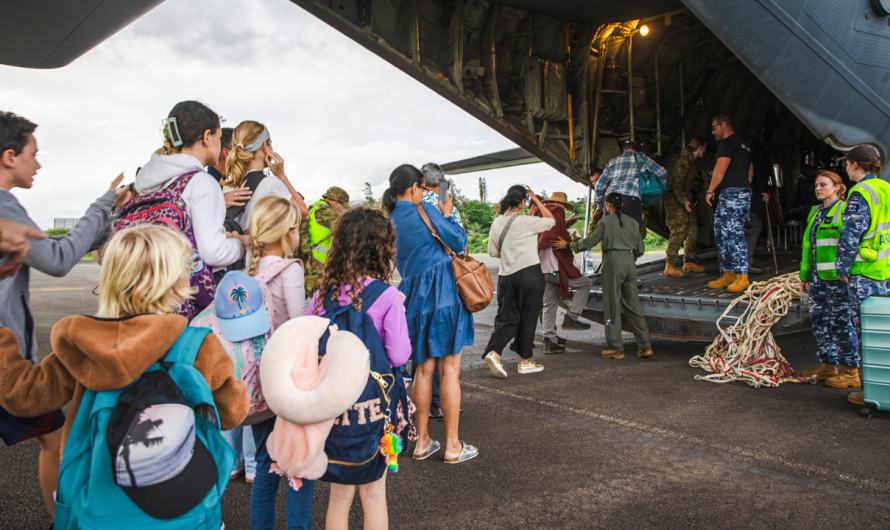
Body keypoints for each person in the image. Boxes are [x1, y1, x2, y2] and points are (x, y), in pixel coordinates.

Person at [0, 225, 249, 520]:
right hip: (182, 504)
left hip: (95, 500)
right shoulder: (199, 345)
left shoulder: (81, 343)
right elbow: (233, 413)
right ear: (175, 284)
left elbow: (23, 396)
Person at [0, 110, 124, 516]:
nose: (39, 163)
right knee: (57, 443)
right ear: (9, 157)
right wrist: (104, 204)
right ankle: (64, 520)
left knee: (54, 438)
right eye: (33, 153)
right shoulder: (5, 205)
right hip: (8, 365)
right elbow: (58, 258)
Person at [307, 207, 412, 530]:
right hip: (377, 414)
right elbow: (398, 355)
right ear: (383, 248)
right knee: (374, 494)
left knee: (339, 497)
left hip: (334, 410)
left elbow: (308, 347)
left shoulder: (322, 296)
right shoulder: (388, 296)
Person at [382, 164, 477, 464]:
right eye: (423, 188)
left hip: (413, 297)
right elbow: (458, 241)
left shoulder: (388, 221)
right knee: (449, 370)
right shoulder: (425, 209)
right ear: (414, 188)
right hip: (443, 292)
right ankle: (452, 445)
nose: (425, 192)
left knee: (422, 370)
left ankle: (421, 441)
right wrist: (447, 215)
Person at [242, 196, 314, 529]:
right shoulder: (290, 269)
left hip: (260, 379)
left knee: (265, 462)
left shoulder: (249, 272)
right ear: (287, 234)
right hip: (291, 380)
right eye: (297, 228)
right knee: (301, 463)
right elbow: (299, 324)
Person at [135, 101, 248, 276]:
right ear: (207, 136)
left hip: (151, 284)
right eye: (218, 138)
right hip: (183, 293)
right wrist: (241, 244)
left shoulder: (151, 181)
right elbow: (213, 252)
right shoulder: (201, 183)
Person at [835, 145, 890, 405]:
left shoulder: (860, 193)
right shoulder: (886, 188)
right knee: (885, 334)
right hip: (884, 270)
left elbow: (850, 235)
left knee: (866, 335)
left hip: (864, 273)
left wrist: (842, 268)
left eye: (847, 164)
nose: (845, 168)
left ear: (855, 164)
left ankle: (873, 393)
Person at [483, 185, 555, 374]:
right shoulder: (528, 221)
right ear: (523, 202)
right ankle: (525, 361)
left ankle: (495, 352)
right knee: (529, 317)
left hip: (506, 277)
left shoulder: (497, 222)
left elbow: (492, 252)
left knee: (507, 317)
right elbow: (551, 221)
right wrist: (537, 200)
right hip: (530, 274)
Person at [571, 193, 652, 359]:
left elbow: (590, 242)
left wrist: (570, 245)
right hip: (629, 262)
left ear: (608, 205)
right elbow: (641, 250)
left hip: (613, 261)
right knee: (633, 306)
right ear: (621, 204)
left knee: (612, 306)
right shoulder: (633, 223)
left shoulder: (605, 222)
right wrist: (629, 258)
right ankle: (645, 345)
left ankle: (616, 347)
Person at [799, 171, 858, 384]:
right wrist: (805, 275)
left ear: (837, 188)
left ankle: (851, 370)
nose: (818, 188)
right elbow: (808, 246)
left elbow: (851, 243)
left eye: (823, 185)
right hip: (817, 278)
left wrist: (847, 271)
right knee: (819, 321)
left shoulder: (845, 211)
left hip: (838, 279)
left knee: (840, 323)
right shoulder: (815, 212)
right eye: (816, 185)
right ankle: (828, 365)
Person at [420, 162, 461, 418]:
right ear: (441, 181)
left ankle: (429, 403)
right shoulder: (444, 198)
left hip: (420, 277)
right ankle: (443, 400)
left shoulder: (414, 200)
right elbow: (459, 238)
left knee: (424, 350)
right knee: (447, 349)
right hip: (445, 276)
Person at [222, 120, 309, 234]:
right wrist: (280, 175)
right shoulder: (270, 184)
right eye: (270, 143)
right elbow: (304, 213)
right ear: (264, 147)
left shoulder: (229, 183)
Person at [538, 191, 592, 354]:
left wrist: (567, 226)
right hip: (556, 267)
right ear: (561, 205)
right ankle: (572, 316)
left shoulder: (541, 215)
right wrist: (570, 241)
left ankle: (549, 340)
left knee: (549, 304)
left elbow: (551, 233)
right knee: (585, 284)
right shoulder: (557, 211)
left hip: (543, 269)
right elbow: (558, 240)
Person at [707, 114, 754, 293]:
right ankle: (728, 273)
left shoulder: (727, 144)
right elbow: (750, 172)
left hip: (731, 193)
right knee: (721, 233)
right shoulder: (745, 146)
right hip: (739, 192)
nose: (713, 132)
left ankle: (742, 276)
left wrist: (710, 190)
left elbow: (720, 168)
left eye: (715, 127)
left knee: (733, 234)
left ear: (724, 125)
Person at [594, 141, 667, 227]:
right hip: (630, 199)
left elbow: (599, 185)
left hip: (610, 200)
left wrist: (599, 205)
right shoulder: (642, 158)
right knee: (631, 235)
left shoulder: (613, 161)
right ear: (637, 150)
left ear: (624, 150)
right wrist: (653, 184)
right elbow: (662, 172)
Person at [663, 136, 708, 277]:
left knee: (693, 229)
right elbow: (676, 185)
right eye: (704, 148)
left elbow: (710, 166)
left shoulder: (694, 162)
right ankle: (670, 264)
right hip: (675, 200)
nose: (705, 151)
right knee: (679, 231)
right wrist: (683, 200)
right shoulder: (683, 162)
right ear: (700, 147)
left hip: (685, 198)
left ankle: (689, 261)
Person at [298, 186, 349, 297]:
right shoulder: (330, 213)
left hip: (307, 264)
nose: (341, 210)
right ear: (336, 203)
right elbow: (349, 235)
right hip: (320, 267)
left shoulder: (313, 208)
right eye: (343, 207)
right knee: (324, 305)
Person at [207, 127, 254, 210]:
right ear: (226, 152)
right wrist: (221, 201)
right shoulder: (206, 183)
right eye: (239, 150)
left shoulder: (235, 182)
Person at [746, 152, 773, 274]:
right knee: (754, 226)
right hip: (750, 199)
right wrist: (763, 190)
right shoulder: (751, 159)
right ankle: (747, 261)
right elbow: (758, 176)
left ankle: (727, 264)